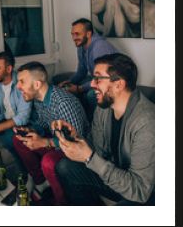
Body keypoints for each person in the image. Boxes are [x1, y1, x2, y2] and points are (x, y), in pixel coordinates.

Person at [55, 53, 155, 205]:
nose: (92, 84)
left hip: (141, 190)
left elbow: (140, 190)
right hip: (114, 175)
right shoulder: (104, 107)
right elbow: (96, 148)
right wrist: (76, 137)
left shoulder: (146, 121)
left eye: (98, 79)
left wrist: (89, 158)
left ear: (119, 84)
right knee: (64, 167)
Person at [13, 61, 89, 205]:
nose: (18, 86)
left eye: (22, 82)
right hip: (55, 140)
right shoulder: (38, 99)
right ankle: (41, 182)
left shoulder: (63, 102)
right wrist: (31, 130)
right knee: (19, 140)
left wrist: (44, 142)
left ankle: (62, 202)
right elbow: (43, 123)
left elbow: (75, 142)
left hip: (76, 149)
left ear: (37, 84)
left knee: (48, 161)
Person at [58, 18, 117, 117]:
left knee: (90, 94)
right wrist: (69, 82)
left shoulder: (99, 47)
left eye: (77, 34)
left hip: (111, 80)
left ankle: (98, 120)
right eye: (72, 34)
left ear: (88, 34)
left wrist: (79, 88)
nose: (74, 38)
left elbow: (102, 78)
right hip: (99, 79)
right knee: (63, 85)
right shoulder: (81, 46)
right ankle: (80, 118)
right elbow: (81, 72)